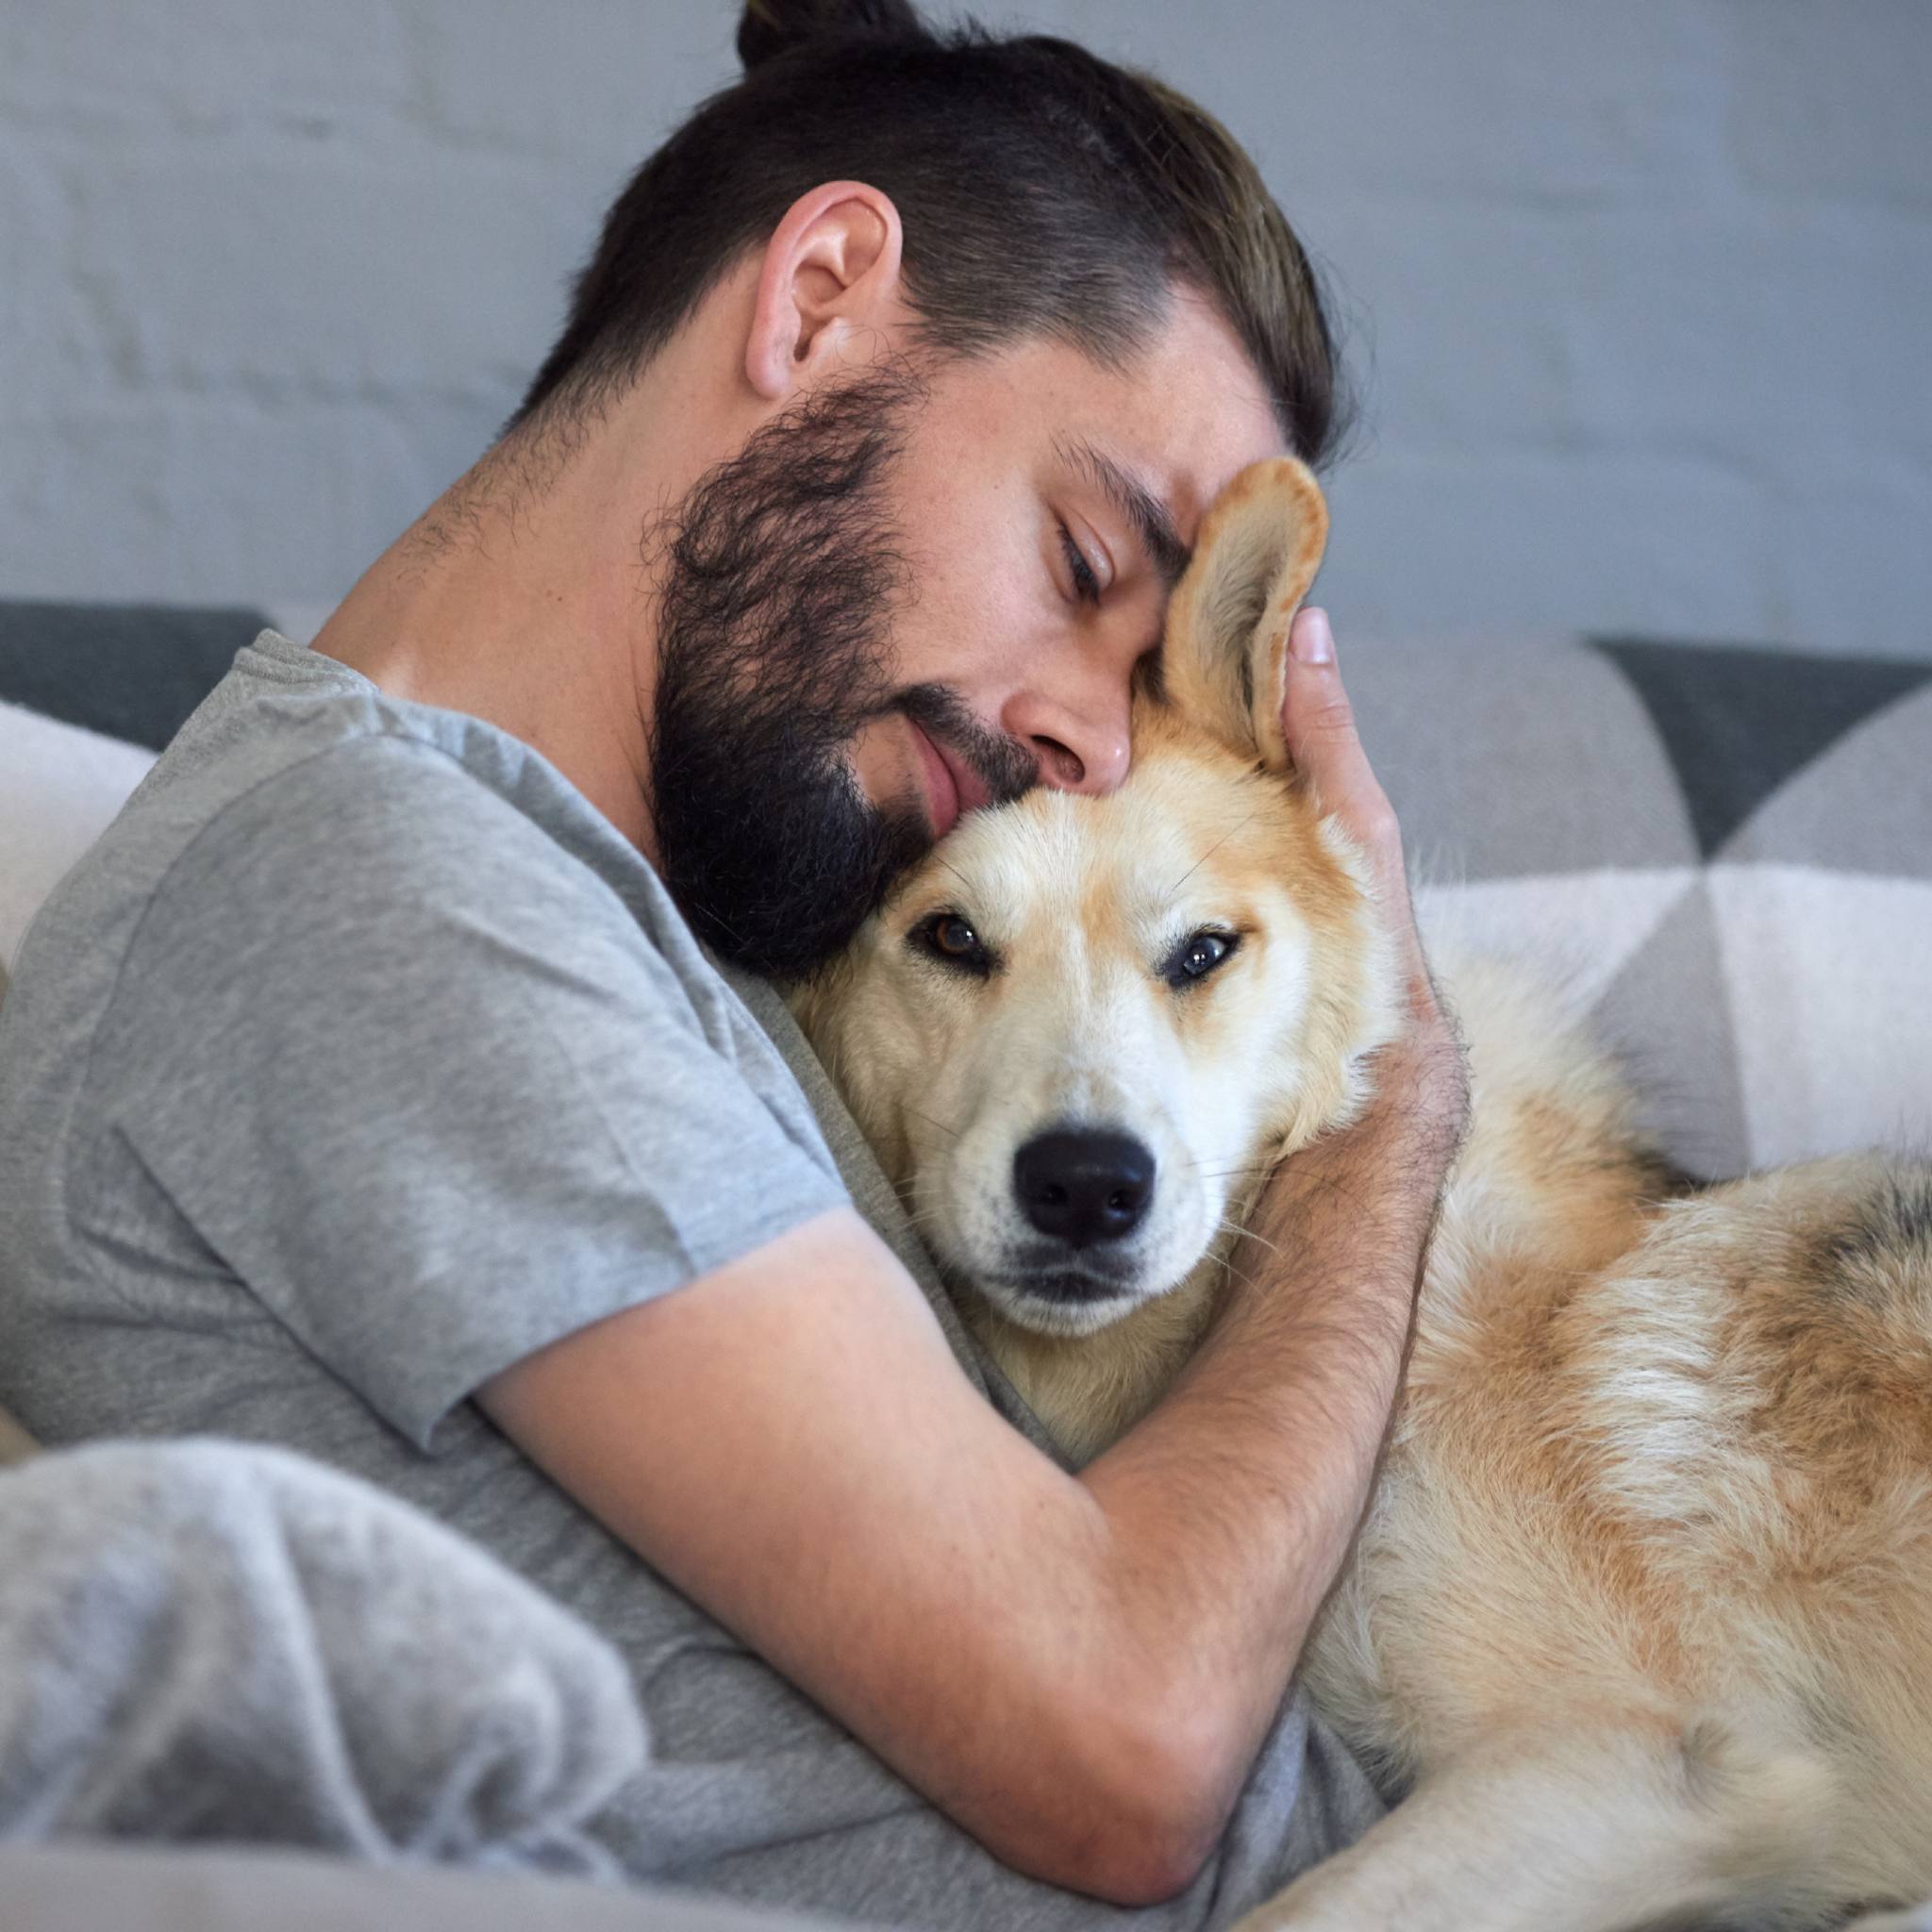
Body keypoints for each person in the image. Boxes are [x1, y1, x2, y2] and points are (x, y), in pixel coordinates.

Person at [0, 3, 1468, 1925]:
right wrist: (1394, 1095)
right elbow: (1127, 1749)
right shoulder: (379, 888)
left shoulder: (653, 902)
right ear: (819, 298)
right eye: (1089, 562)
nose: (1091, 749)